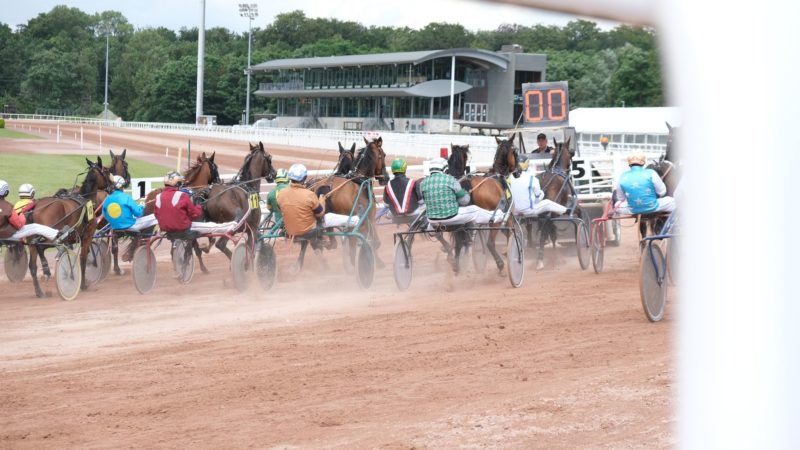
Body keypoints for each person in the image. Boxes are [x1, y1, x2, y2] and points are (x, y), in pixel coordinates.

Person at [277, 164, 356, 240]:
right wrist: (321, 200)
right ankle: (356, 221)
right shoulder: (309, 195)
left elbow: (282, 209)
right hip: (308, 231)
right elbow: (320, 214)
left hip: (289, 231)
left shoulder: (281, 194)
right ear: (305, 177)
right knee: (330, 217)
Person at [419, 158, 496, 226]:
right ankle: (500, 217)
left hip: (432, 220)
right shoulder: (450, 179)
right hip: (451, 217)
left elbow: (426, 201)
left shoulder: (422, 183)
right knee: (475, 209)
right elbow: (465, 201)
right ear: (445, 169)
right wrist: (465, 194)